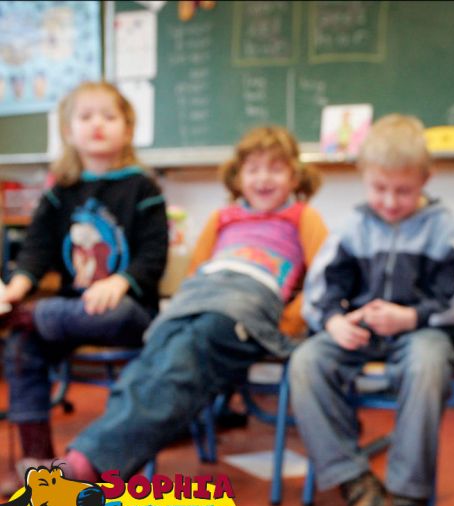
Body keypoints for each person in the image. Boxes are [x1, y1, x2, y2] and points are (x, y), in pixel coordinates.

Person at [61, 125, 328, 481]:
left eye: (275, 169)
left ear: (295, 176)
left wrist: (288, 322)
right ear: (237, 176)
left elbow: (325, 276)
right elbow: (196, 270)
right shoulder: (222, 217)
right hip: (202, 293)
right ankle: (88, 459)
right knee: (154, 356)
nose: (264, 178)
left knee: (188, 351)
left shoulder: (302, 216)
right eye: (253, 169)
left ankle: (86, 463)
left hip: (249, 300)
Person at [289, 114, 454, 506]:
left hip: (423, 332)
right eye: (379, 189)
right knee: (306, 361)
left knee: (426, 362)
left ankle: (409, 493)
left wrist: (410, 317)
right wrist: (334, 321)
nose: (390, 201)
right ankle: (354, 479)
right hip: (361, 333)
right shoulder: (352, 229)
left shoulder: (444, 230)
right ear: (363, 178)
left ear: (425, 180)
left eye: (403, 191)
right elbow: (319, 290)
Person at [1, 81, 169, 491]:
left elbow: (153, 256)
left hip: (126, 313)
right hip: (65, 316)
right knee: (22, 346)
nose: (97, 125)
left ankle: (18, 318)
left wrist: (121, 282)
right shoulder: (61, 191)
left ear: (127, 129)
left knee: (102, 312)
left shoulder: (143, 188)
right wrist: (14, 288)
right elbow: (36, 251)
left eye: (108, 117)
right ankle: (37, 462)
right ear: (68, 130)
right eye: (86, 117)